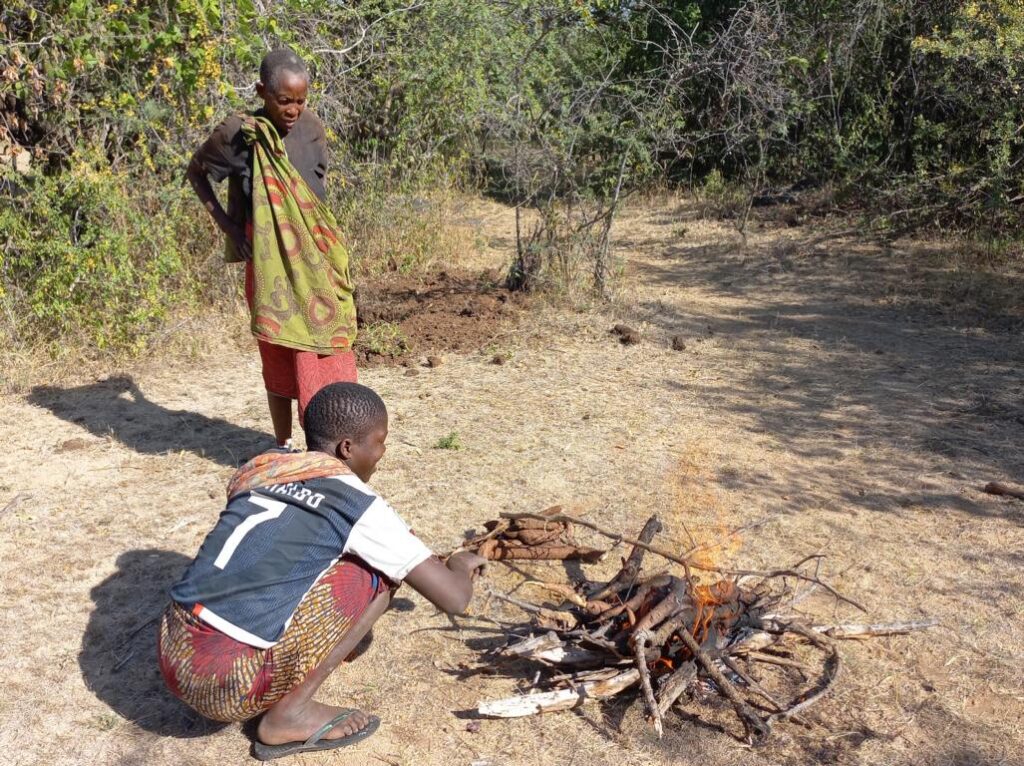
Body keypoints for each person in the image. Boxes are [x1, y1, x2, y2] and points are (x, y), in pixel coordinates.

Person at [158, 382, 487, 760]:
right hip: (223, 683)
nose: (382, 453)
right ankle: (290, 714)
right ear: (347, 448)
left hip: (171, 648)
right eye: (379, 442)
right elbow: (455, 598)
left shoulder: (265, 468)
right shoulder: (358, 504)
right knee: (379, 572)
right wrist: (459, 563)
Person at [187, 48, 358, 448]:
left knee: (333, 350)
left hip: (318, 261)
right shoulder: (240, 133)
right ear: (263, 91)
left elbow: (314, 196)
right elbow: (196, 172)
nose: (294, 109)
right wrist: (230, 226)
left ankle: (333, 443)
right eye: (284, 100)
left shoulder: (312, 127)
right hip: (271, 267)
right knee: (279, 355)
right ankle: (283, 446)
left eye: (301, 100)